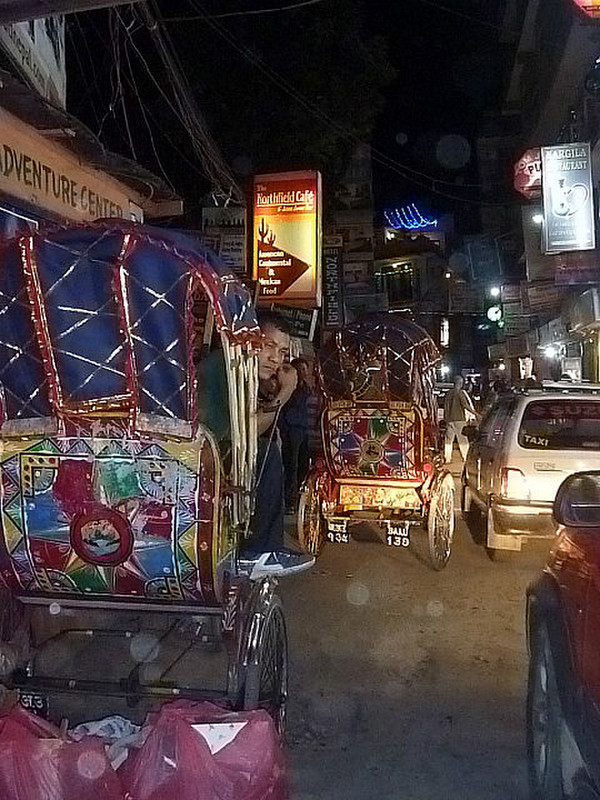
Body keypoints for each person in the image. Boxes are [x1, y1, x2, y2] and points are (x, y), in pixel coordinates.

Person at [239, 310, 315, 579]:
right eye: (268, 346)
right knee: (264, 450)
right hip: (208, 464)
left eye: (282, 352)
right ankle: (257, 551)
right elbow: (244, 435)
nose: (275, 358)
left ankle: (271, 538)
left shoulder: (253, 380)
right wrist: (285, 392)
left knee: (273, 447)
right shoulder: (226, 368)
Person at [280, 357, 314, 513]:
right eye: (300, 370)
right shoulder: (289, 390)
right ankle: (289, 501)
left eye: (305, 370)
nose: (303, 373)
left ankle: (300, 499)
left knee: (303, 467)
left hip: (305, 431)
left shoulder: (308, 390)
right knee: (291, 466)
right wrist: (284, 428)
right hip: (292, 430)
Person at [444, 374, 479, 463]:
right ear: (460, 383)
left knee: (448, 440)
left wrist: (446, 419)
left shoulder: (448, 393)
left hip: (449, 420)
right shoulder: (460, 393)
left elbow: (446, 407)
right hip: (459, 419)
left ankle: (447, 458)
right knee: (462, 440)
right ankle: (465, 457)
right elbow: (465, 405)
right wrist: (475, 414)